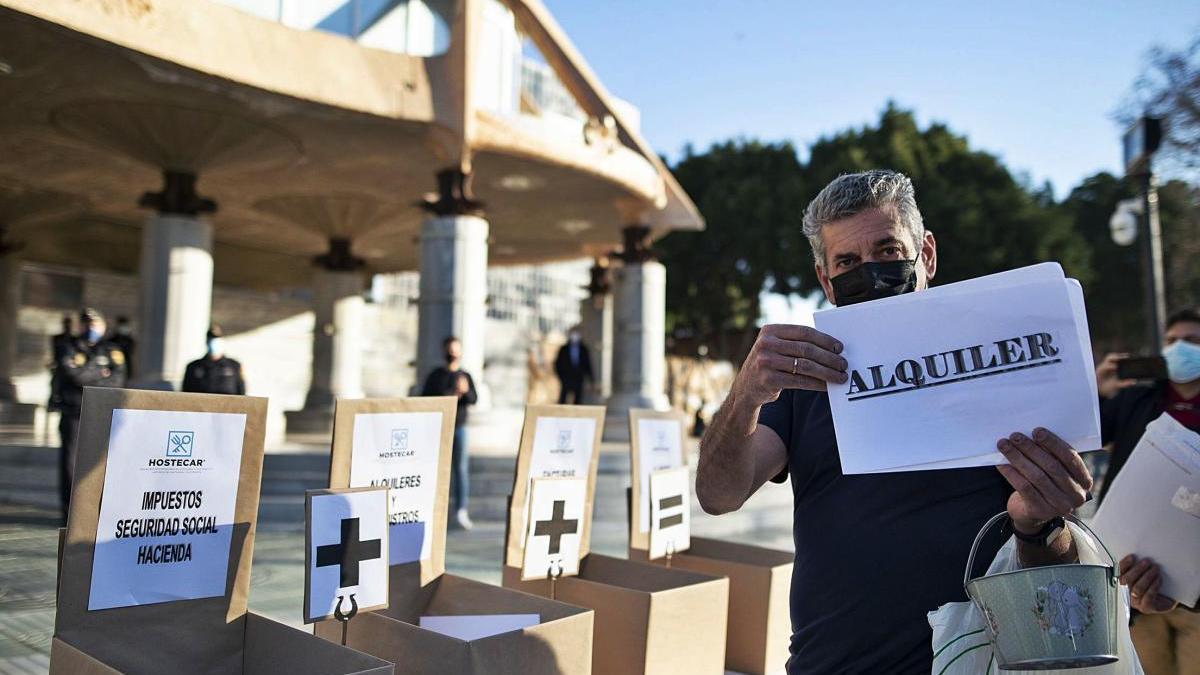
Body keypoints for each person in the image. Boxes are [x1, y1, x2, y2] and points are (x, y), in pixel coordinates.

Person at [695, 170, 1096, 674]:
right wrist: (744, 396)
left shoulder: (1002, 370)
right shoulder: (807, 379)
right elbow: (718, 495)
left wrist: (1038, 523)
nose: (870, 272)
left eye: (887, 251)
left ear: (925, 253)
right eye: (847, 262)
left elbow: (1059, 568)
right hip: (830, 663)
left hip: (978, 661)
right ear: (826, 280)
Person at [1096, 308, 1200, 674]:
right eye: (1172, 341)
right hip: (1133, 582)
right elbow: (1082, 437)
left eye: (1192, 341)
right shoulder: (1137, 401)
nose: (1180, 348)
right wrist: (1097, 388)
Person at [58, 308, 126, 522]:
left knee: (100, 461)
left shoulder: (112, 351)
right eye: (87, 324)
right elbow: (72, 374)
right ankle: (71, 512)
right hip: (74, 412)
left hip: (100, 413)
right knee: (70, 464)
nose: (91, 328)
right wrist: (99, 372)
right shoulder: (69, 347)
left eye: (95, 324)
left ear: (103, 326)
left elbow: (117, 380)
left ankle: (96, 509)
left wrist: (88, 372)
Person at [421, 336, 478, 530]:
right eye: (449, 350)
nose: (452, 354)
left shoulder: (465, 375)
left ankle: (461, 509)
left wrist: (465, 390)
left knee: (460, 469)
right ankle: (434, 508)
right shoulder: (436, 375)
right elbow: (425, 399)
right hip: (438, 428)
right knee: (436, 469)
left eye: (456, 350)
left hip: (459, 427)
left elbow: (473, 399)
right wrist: (449, 394)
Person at [182, 325, 246, 395]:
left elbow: (241, 392)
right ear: (206, 341)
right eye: (211, 339)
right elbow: (185, 393)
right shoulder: (193, 367)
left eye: (216, 340)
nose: (213, 343)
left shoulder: (234, 366)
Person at [553, 327, 593, 404]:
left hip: (578, 378)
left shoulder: (583, 349)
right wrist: (561, 376)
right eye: (573, 333)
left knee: (578, 400)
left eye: (576, 333)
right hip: (566, 378)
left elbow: (588, 365)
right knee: (563, 399)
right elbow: (557, 364)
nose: (575, 336)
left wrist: (591, 379)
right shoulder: (563, 349)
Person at [47, 314, 73, 412]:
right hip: (59, 366)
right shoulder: (58, 338)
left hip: (69, 367)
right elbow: (54, 352)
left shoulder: (73, 339)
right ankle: (52, 403)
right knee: (54, 384)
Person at [110, 315, 137, 382]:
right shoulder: (112, 340)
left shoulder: (130, 340)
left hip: (126, 368)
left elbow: (130, 350)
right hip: (114, 368)